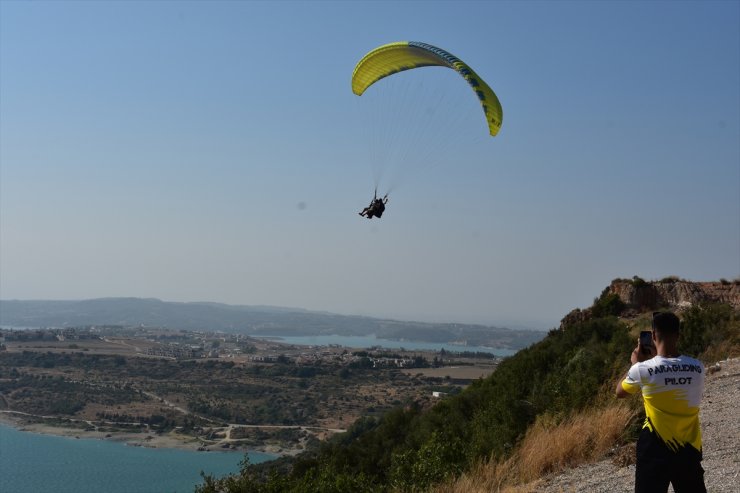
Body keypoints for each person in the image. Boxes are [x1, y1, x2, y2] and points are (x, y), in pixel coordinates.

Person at [616, 311, 706, 493]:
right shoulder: (698, 367)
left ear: (654, 336)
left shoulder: (642, 369)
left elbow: (620, 392)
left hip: (653, 448)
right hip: (688, 447)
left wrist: (635, 364)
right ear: (678, 335)